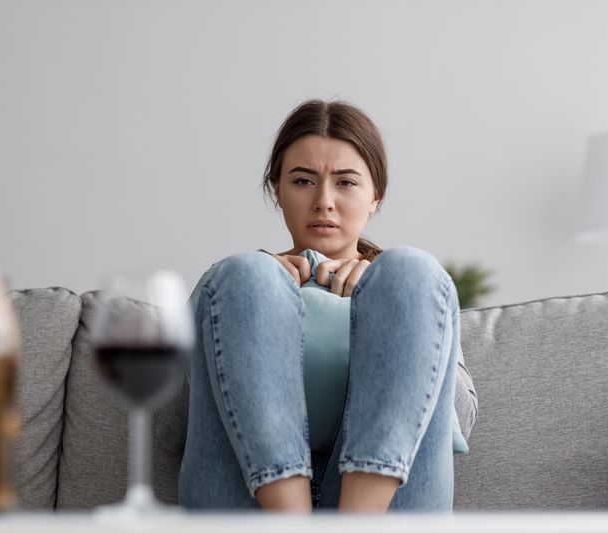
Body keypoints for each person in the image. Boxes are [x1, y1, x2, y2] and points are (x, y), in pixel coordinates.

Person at [177, 99, 477, 512]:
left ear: (376, 195)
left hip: (387, 509)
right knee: (244, 274)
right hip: (246, 506)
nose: (324, 202)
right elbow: (166, 429)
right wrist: (254, 302)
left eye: (346, 182)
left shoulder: (412, 291)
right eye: (302, 181)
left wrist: (384, 306)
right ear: (276, 191)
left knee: (413, 270)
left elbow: (459, 418)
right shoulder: (228, 283)